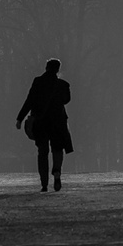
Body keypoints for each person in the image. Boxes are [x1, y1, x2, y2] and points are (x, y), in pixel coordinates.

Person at [16, 58, 73, 192]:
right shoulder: (63, 85)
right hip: (58, 122)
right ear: (58, 69)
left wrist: (20, 118)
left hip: (41, 122)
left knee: (42, 152)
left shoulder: (38, 82)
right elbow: (66, 100)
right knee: (57, 149)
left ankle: (44, 183)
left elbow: (29, 100)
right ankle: (57, 171)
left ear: (46, 68)